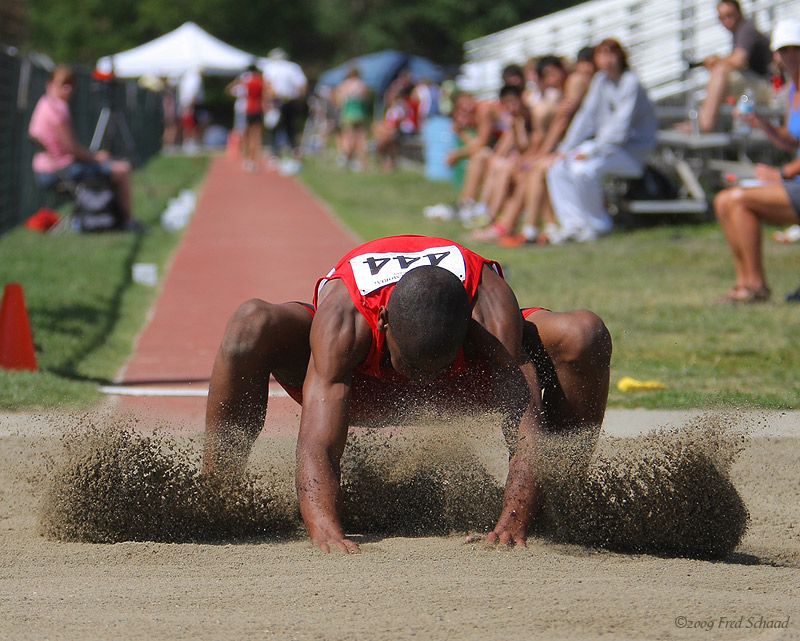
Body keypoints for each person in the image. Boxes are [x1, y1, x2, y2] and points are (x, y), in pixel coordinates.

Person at [203, 234, 612, 552]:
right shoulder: (344, 320)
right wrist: (323, 526)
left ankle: (559, 502)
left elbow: (524, 426)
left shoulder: (490, 316)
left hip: (465, 383)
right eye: (412, 366)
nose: (420, 384)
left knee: (583, 333)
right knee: (249, 323)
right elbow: (318, 443)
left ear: (467, 332)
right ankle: (214, 495)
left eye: (431, 367)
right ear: (382, 322)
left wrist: (515, 518)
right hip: (364, 382)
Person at [712, 19, 800, 303]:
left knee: (739, 199)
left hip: (795, 179)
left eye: (795, 49)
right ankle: (744, 283)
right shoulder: (791, 90)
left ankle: (756, 286)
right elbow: (791, 140)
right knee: (723, 201)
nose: (790, 55)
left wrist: (782, 172)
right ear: (776, 54)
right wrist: (763, 125)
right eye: (784, 50)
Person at [546, 39, 658, 243]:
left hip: (631, 151)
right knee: (557, 167)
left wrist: (590, 151)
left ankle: (598, 225)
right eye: (602, 54)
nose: (607, 60)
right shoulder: (600, 81)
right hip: (605, 148)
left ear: (621, 57)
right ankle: (573, 224)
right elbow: (586, 118)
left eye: (611, 54)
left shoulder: (630, 82)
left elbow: (620, 128)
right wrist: (566, 148)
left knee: (583, 170)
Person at [28, 64, 139, 229]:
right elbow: (71, 149)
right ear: (49, 84)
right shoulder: (58, 108)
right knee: (122, 169)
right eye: (62, 84)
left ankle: (109, 217)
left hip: (44, 169)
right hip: (59, 171)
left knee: (108, 167)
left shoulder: (43, 103)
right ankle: (127, 223)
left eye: (70, 85)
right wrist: (96, 157)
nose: (66, 89)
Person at [683, 0, 772, 133]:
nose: (726, 21)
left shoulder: (746, 29)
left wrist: (717, 61)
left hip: (769, 89)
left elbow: (739, 60)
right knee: (719, 72)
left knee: (720, 71)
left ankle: (705, 124)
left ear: (739, 13)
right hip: (756, 88)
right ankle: (704, 121)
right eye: (722, 18)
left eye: (730, 15)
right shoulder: (740, 32)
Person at [261, 48, 308, 159]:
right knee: (290, 126)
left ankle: (274, 152)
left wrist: (267, 101)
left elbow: (267, 86)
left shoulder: (269, 67)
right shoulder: (293, 67)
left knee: (273, 127)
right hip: (289, 100)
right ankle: (293, 150)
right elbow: (302, 85)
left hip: (276, 101)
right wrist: (299, 100)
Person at [227, 64, 268, 172]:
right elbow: (266, 93)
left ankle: (248, 159)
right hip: (258, 109)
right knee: (256, 136)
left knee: (247, 136)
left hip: (248, 109)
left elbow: (230, 88)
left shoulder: (246, 81)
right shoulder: (260, 81)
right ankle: (254, 160)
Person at [335, 67, 370, 171]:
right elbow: (366, 100)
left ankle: (347, 160)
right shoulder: (362, 85)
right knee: (361, 139)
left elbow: (339, 102)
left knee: (347, 138)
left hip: (348, 114)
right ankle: (362, 162)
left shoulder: (343, 85)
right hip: (360, 114)